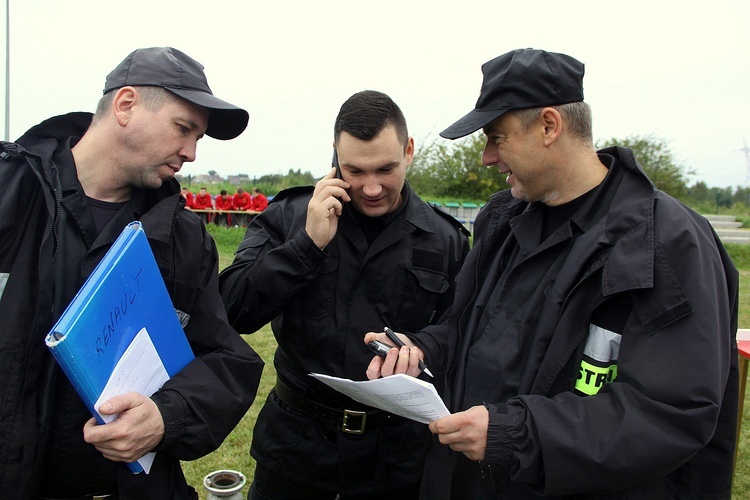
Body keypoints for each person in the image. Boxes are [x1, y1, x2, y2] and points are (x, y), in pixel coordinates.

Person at [364, 48, 739, 499]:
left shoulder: (666, 244)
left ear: (548, 126)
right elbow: (465, 329)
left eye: (496, 137)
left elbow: (671, 411)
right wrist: (423, 349)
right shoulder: (503, 220)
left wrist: (516, 434)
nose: (486, 157)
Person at [0, 46, 265, 499]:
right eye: (184, 129)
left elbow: (226, 360)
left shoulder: (183, 237)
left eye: (198, 137)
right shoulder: (10, 195)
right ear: (125, 105)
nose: (192, 153)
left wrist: (167, 415)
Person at [219, 90, 470, 499]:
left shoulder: (446, 239)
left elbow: (463, 330)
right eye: (354, 170)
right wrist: (307, 245)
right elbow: (231, 309)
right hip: (295, 449)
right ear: (334, 155)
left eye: (386, 169)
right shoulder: (290, 215)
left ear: (409, 151)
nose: (371, 188)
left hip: (395, 460)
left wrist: (423, 348)